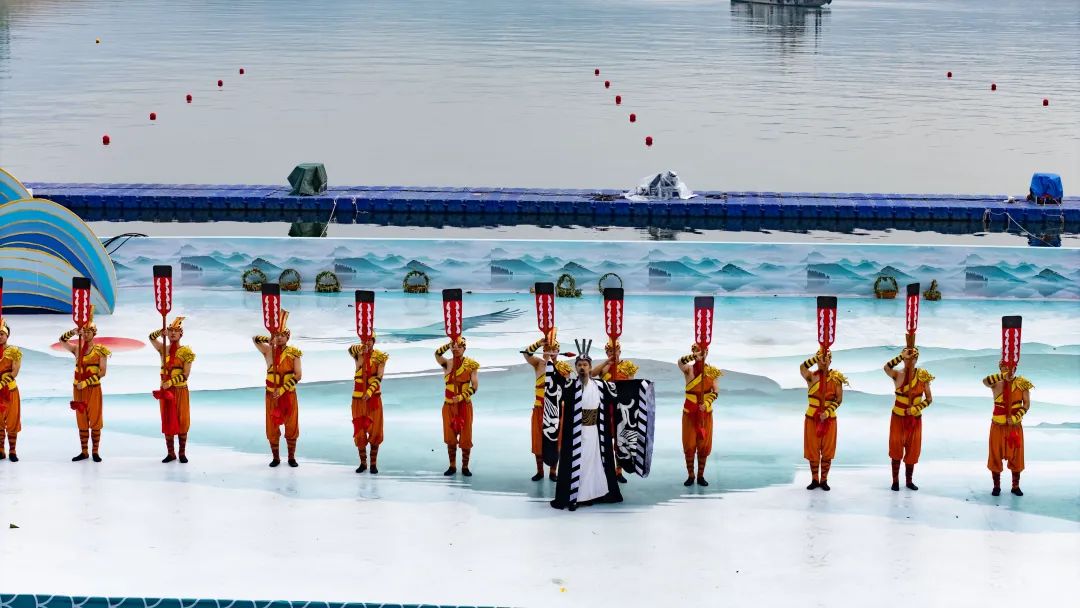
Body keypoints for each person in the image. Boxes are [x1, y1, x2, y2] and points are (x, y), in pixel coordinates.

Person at [549, 340, 623, 510]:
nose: (582, 368)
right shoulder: (570, 385)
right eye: (579, 365)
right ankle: (574, 497)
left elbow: (620, 392)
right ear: (576, 368)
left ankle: (590, 495)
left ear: (590, 368)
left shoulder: (600, 386)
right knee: (578, 463)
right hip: (575, 433)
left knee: (593, 463)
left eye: (585, 365)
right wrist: (550, 361)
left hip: (595, 432)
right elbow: (554, 382)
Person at [59, 308, 111, 462]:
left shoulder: (100, 351)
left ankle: (95, 451)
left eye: (89, 331)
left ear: (94, 333)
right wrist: (72, 332)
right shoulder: (77, 349)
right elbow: (62, 341)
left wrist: (86, 382)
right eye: (85, 331)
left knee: (95, 419)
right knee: (81, 419)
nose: (86, 334)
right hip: (78, 389)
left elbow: (102, 372)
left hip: (92, 389)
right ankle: (84, 451)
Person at [253, 310, 302, 468]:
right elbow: (254, 339)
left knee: (291, 425)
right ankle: (276, 458)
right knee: (272, 426)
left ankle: (291, 457)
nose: (280, 337)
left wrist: (282, 390)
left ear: (288, 337)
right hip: (271, 395)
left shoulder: (294, 353)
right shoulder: (268, 351)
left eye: (283, 335)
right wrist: (269, 339)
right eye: (277, 335)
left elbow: (298, 375)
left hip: (288, 394)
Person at [523, 329, 571, 481]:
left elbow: (566, 389)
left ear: (558, 351)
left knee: (555, 440)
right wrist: (539, 343)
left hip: (555, 410)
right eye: (547, 349)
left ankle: (553, 472)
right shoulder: (539, 364)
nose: (550, 352)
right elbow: (526, 354)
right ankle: (540, 471)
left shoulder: (564, 368)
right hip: (539, 408)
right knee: (538, 440)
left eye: (553, 350)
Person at [883, 347, 934, 490]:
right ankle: (895, 481)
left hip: (915, 419)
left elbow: (929, 399)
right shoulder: (898, 374)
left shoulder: (923, 376)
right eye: (906, 359)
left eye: (912, 359)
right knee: (896, 448)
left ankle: (909, 481)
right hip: (898, 418)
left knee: (913, 450)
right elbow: (886, 368)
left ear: (916, 360)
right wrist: (900, 356)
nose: (909, 362)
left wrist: (916, 408)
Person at [799, 350, 848, 491]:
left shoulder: (836, 378)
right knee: (813, 449)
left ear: (831, 361)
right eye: (820, 359)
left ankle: (824, 480)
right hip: (811, 418)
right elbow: (802, 367)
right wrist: (816, 358)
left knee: (827, 450)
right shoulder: (811, 377)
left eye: (826, 358)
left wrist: (827, 412)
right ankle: (815, 479)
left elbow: (839, 400)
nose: (823, 361)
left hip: (829, 419)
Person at [149, 317, 196, 464]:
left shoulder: (186, 352)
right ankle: (171, 453)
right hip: (165, 391)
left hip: (180, 390)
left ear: (181, 334)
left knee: (182, 420)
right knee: (167, 419)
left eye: (176, 331)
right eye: (170, 331)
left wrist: (171, 382)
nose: (173, 333)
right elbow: (151, 338)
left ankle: (182, 453)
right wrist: (160, 332)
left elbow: (186, 374)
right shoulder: (163, 349)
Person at [592, 338, 638, 483]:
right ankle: (605, 470)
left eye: (615, 351)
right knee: (604, 439)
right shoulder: (604, 368)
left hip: (622, 407)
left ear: (620, 351)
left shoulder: (628, 366)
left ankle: (619, 471)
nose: (613, 353)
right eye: (610, 351)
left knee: (620, 440)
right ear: (606, 353)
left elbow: (631, 386)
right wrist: (607, 363)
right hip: (606, 407)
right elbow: (592, 374)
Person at [983, 363, 1033, 496]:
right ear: (1000, 369)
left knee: (1016, 456)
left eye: (1009, 368)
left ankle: (1015, 486)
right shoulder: (995, 382)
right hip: (997, 426)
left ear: (1015, 368)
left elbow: (1027, 404)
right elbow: (985, 381)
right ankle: (996, 486)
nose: (1007, 370)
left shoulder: (1022, 383)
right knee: (995, 455)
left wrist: (1016, 417)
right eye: (1004, 368)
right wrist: (1003, 376)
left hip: (1014, 427)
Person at [677, 344, 723, 487]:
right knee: (689, 444)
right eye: (697, 351)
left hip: (705, 413)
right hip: (689, 412)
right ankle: (690, 475)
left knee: (703, 445)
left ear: (707, 352)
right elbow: (680, 362)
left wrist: (707, 403)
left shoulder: (712, 372)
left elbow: (716, 391)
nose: (701, 353)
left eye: (703, 351)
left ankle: (701, 475)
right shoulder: (688, 369)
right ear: (693, 352)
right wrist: (694, 357)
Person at [436, 336, 478, 476]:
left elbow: (475, 386)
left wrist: (461, 397)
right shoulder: (447, 363)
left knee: (466, 437)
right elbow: (437, 354)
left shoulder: (471, 365)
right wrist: (449, 343)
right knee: (450, 437)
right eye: (454, 346)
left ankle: (465, 467)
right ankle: (452, 466)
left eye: (459, 346)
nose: (456, 349)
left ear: (464, 348)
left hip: (464, 405)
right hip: (448, 406)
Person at [350, 334, 388, 474]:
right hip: (358, 399)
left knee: (375, 430)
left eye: (370, 340)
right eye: (364, 340)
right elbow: (350, 349)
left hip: (373, 399)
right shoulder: (358, 355)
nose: (367, 342)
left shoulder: (380, 357)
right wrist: (362, 348)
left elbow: (379, 377)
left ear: (373, 341)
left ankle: (373, 464)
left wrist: (370, 391)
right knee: (359, 430)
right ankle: (363, 463)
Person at [0, 320, 22, 462]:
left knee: (12, 420)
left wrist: (2, 383)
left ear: (7, 335)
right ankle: (0, 450)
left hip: (10, 391)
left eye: (1, 334)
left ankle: (12, 450)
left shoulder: (14, 351)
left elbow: (14, 372)